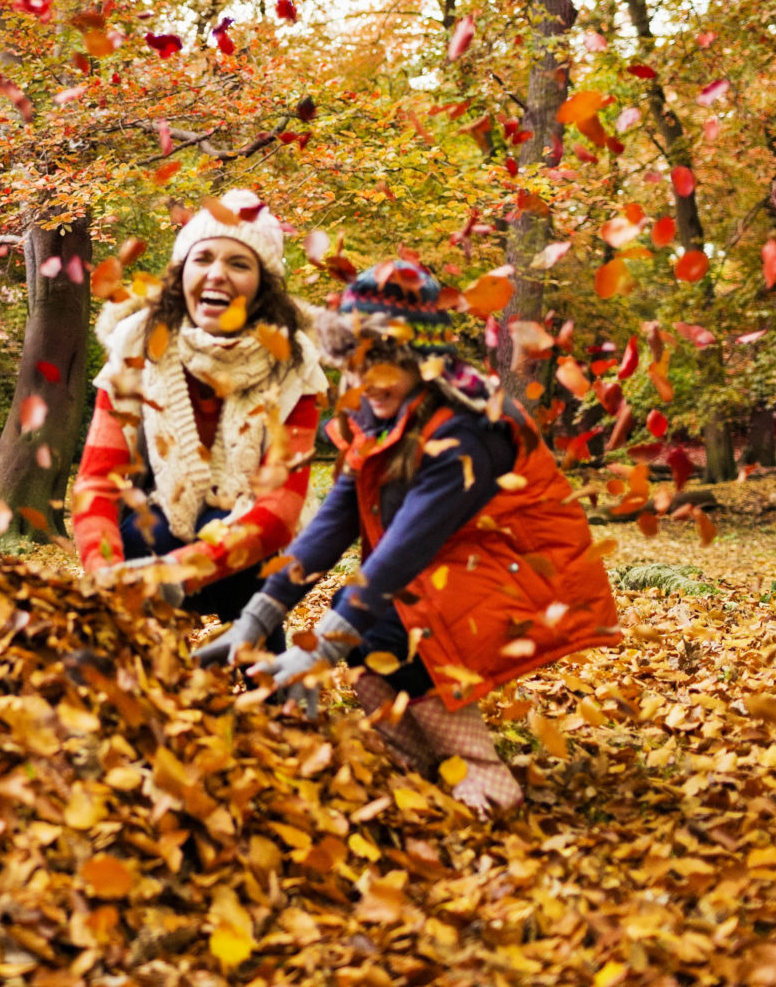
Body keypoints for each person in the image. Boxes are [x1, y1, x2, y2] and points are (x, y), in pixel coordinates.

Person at [194, 260, 623, 814]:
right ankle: (433, 774)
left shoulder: (468, 427)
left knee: (394, 631)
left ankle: (488, 782)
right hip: (461, 569)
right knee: (372, 651)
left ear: (424, 361)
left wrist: (320, 645)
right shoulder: (379, 419)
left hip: (526, 573)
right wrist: (256, 619)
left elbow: (403, 551)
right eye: (355, 361)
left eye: (385, 361)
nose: (368, 379)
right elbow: (331, 524)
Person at [71, 191, 330, 637]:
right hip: (153, 536)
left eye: (239, 264)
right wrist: (104, 569)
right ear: (181, 273)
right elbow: (98, 480)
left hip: (257, 550)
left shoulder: (295, 365)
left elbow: (279, 509)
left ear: (264, 286)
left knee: (256, 595)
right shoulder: (136, 349)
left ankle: (265, 688)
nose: (216, 274)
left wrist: (178, 572)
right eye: (203, 257)